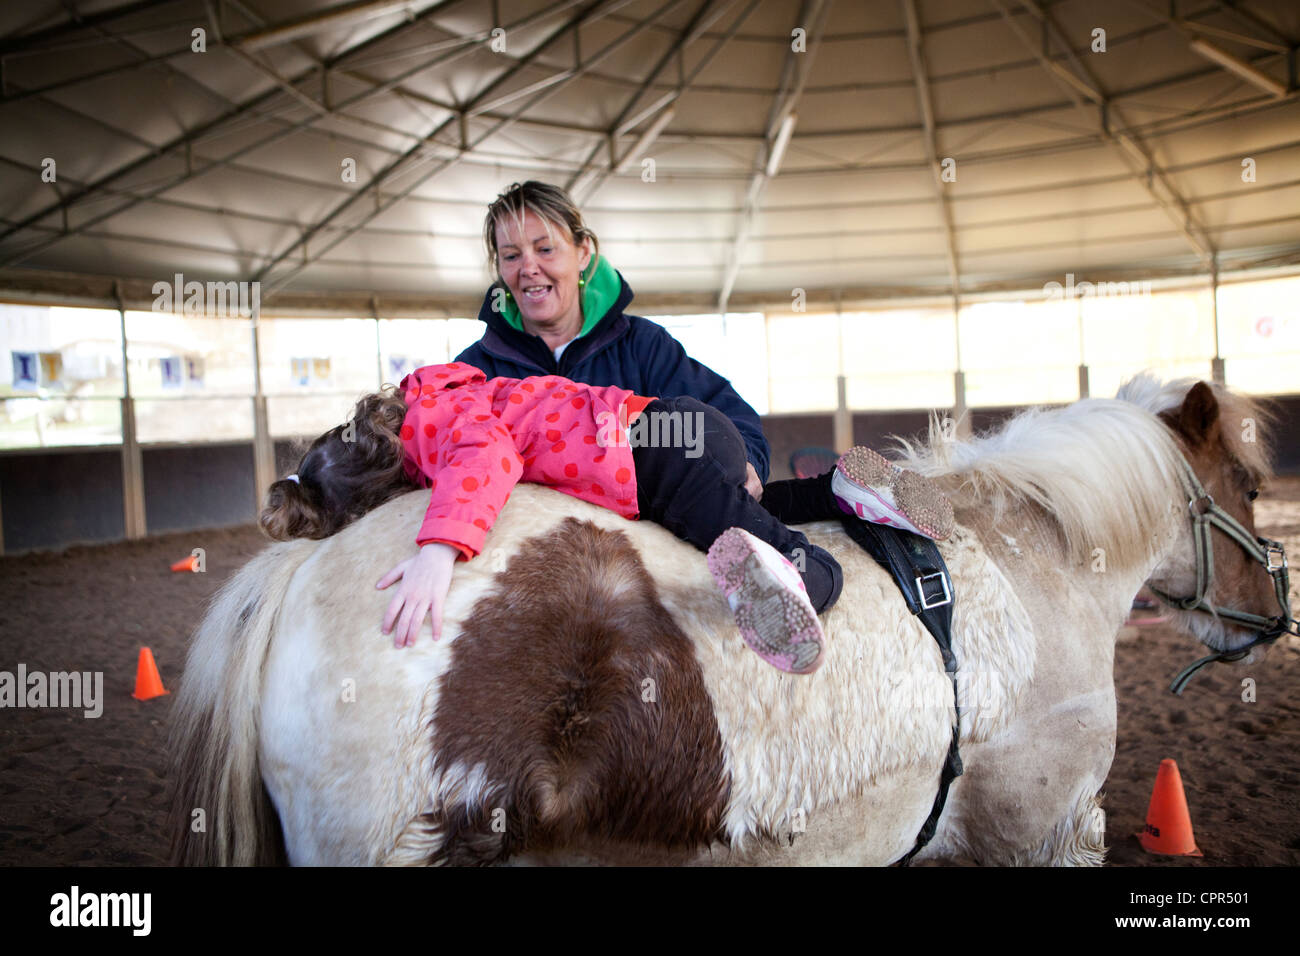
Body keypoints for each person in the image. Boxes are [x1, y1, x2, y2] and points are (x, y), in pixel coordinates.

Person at [259, 362, 947, 674]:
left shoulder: (433, 429)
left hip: (654, 456)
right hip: (672, 432)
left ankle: (808, 576)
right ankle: (843, 490)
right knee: (742, 504)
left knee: (746, 532)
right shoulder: (438, 390)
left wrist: (439, 549)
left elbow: (486, 458)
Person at [457, 180, 952, 540]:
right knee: (703, 502)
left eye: (545, 248)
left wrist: (752, 464)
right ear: (498, 267)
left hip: (642, 520)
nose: (529, 269)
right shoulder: (476, 370)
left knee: (713, 494)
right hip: (552, 542)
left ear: (583, 252)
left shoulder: (641, 345)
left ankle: (840, 506)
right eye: (510, 256)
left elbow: (731, 411)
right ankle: (832, 493)